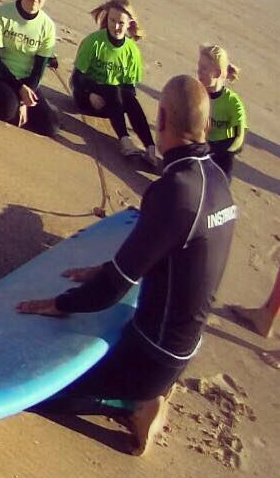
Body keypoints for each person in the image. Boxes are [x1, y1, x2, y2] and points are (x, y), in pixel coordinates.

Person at [17, 76, 236, 454]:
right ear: (203, 126)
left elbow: (109, 292)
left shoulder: (175, 190)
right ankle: (149, 391)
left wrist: (59, 303)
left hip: (151, 354)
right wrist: (108, 267)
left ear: (162, 117)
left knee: (39, 393)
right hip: (184, 347)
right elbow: (174, 257)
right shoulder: (216, 177)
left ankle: (133, 404)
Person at [71, 0, 157, 165]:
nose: (116, 26)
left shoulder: (132, 51)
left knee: (128, 97)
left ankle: (150, 147)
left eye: (121, 23)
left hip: (112, 106)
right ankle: (125, 141)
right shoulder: (94, 41)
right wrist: (90, 94)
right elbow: (76, 78)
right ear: (106, 17)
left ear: (129, 24)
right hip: (87, 98)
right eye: (112, 20)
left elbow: (130, 89)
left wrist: (123, 98)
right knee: (112, 89)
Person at [0, 0, 60, 136]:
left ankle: (29, 106)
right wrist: (19, 89)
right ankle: (9, 101)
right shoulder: (3, 14)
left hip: (27, 80)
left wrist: (25, 100)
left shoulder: (48, 26)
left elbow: (38, 71)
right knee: (6, 113)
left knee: (51, 128)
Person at [197, 44, 245, 180]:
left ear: (217, 73)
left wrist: (214, 149)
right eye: (199, 66)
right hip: (198, 151)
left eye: (204, 68)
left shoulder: (232, 103)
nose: (198, 71)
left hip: (221, 159)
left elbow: (238, 139)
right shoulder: (196, 93)